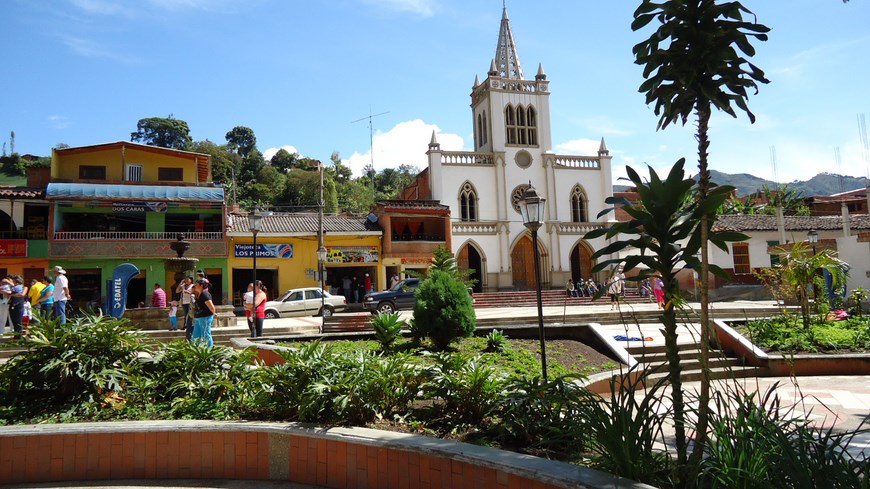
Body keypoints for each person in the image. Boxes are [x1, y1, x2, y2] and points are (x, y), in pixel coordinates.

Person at [191, 279, 215, 346]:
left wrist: (213, 314)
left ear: (201, 285)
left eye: (196, 284)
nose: (195, 286)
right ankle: (196, 349)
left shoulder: (205, 294)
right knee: (196, 336)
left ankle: (209, 349)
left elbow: (211, 306)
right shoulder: (199, 294)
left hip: (205, 317)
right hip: (198, 317)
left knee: (206, 335)